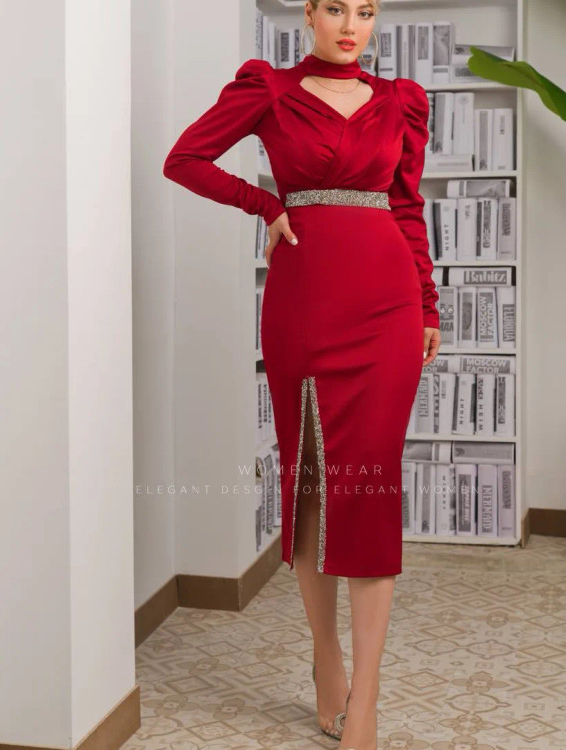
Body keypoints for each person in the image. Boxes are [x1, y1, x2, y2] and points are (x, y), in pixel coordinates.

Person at [163, 1, 441, 747]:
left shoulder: (401, 101)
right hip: (305, 302)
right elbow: (183, 159)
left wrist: (427, 304)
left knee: (372, 487)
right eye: (335, 9)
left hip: (388, 303)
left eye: (366, 11)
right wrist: (264, 204)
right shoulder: (270, 89)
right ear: (309, 14)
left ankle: (367, 699)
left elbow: (407, 207)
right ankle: (327, 657)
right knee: (311, 481)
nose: (351, 26)